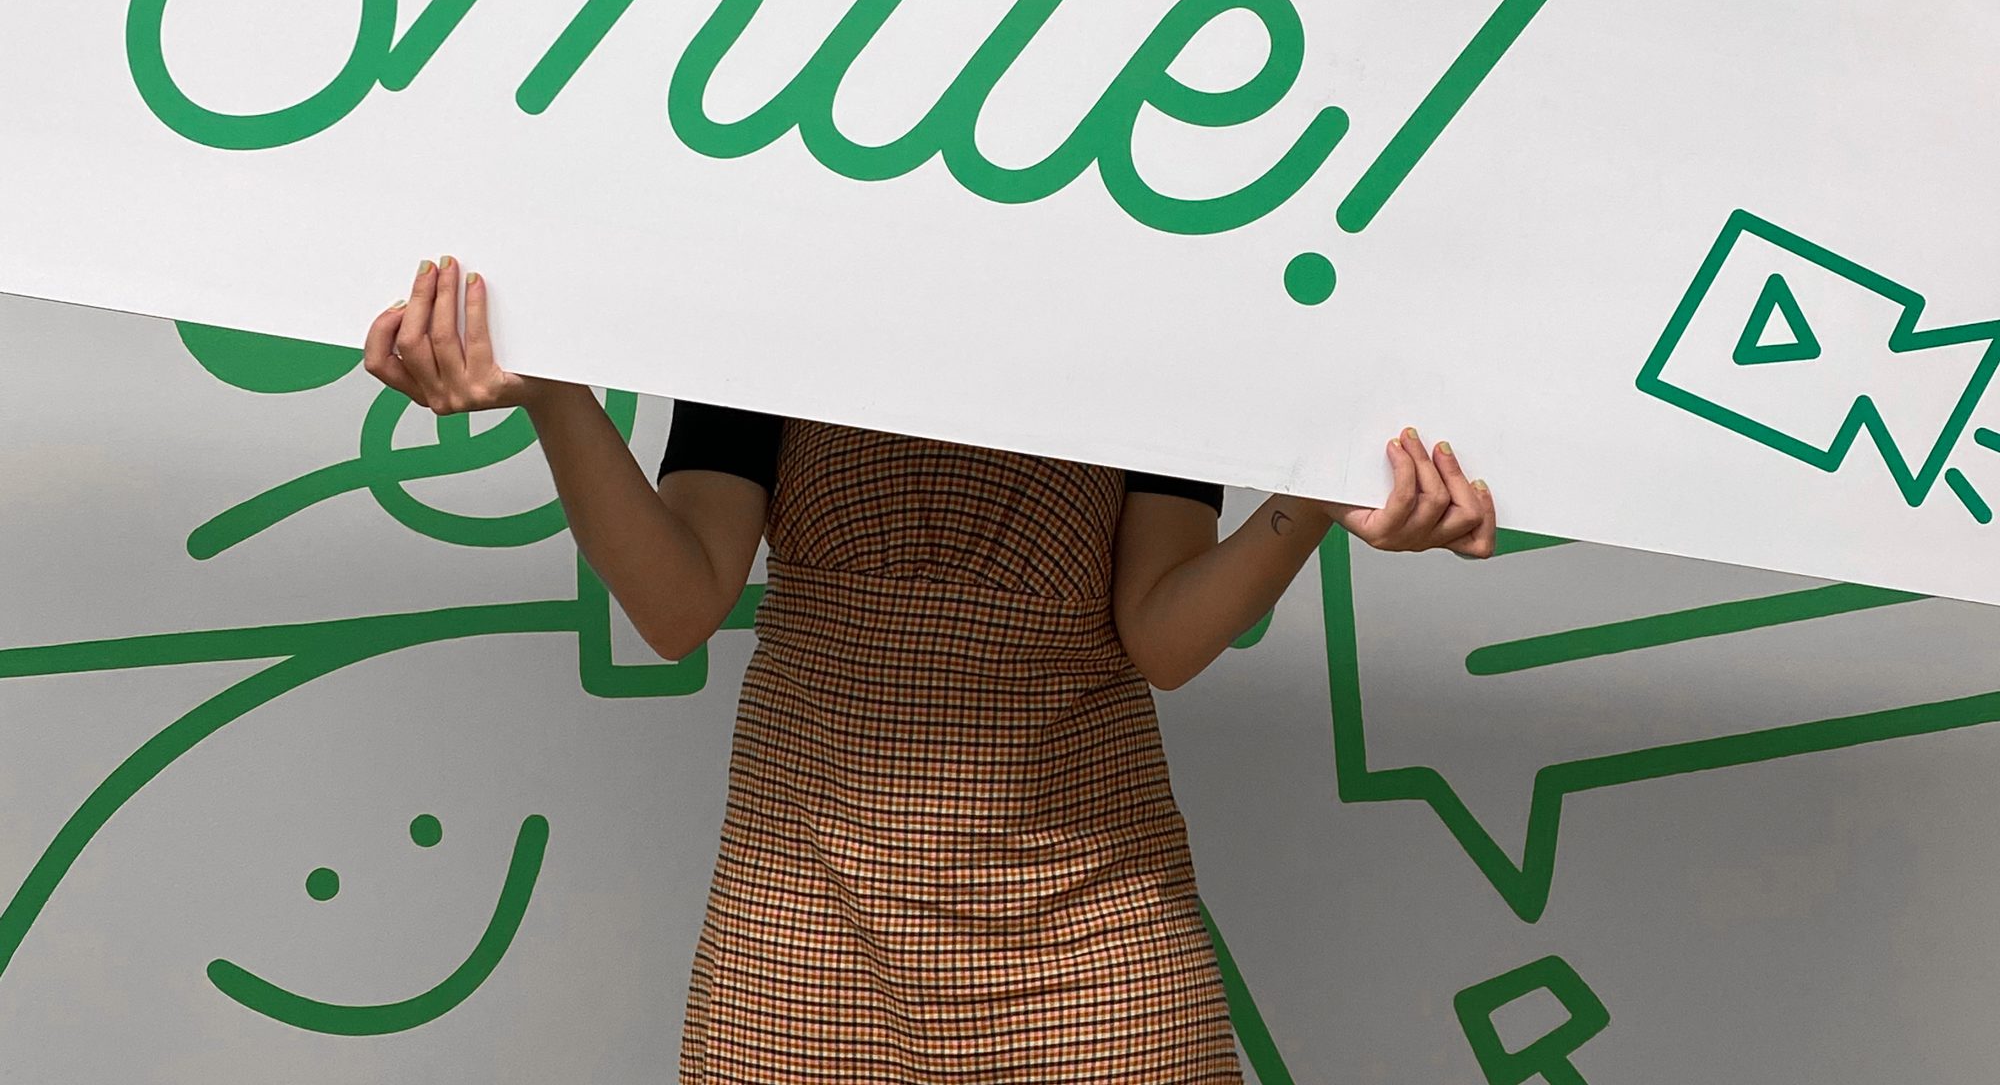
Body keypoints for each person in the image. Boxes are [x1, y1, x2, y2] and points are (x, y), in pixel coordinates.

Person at [364, 257, 1498, 1084]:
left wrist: (1314, 492)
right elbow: (678, 602)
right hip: (803, 927)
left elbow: (1161, 634)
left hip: (1089, 941)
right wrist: (555, 395)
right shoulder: (777, 277)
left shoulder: (1158, 291)